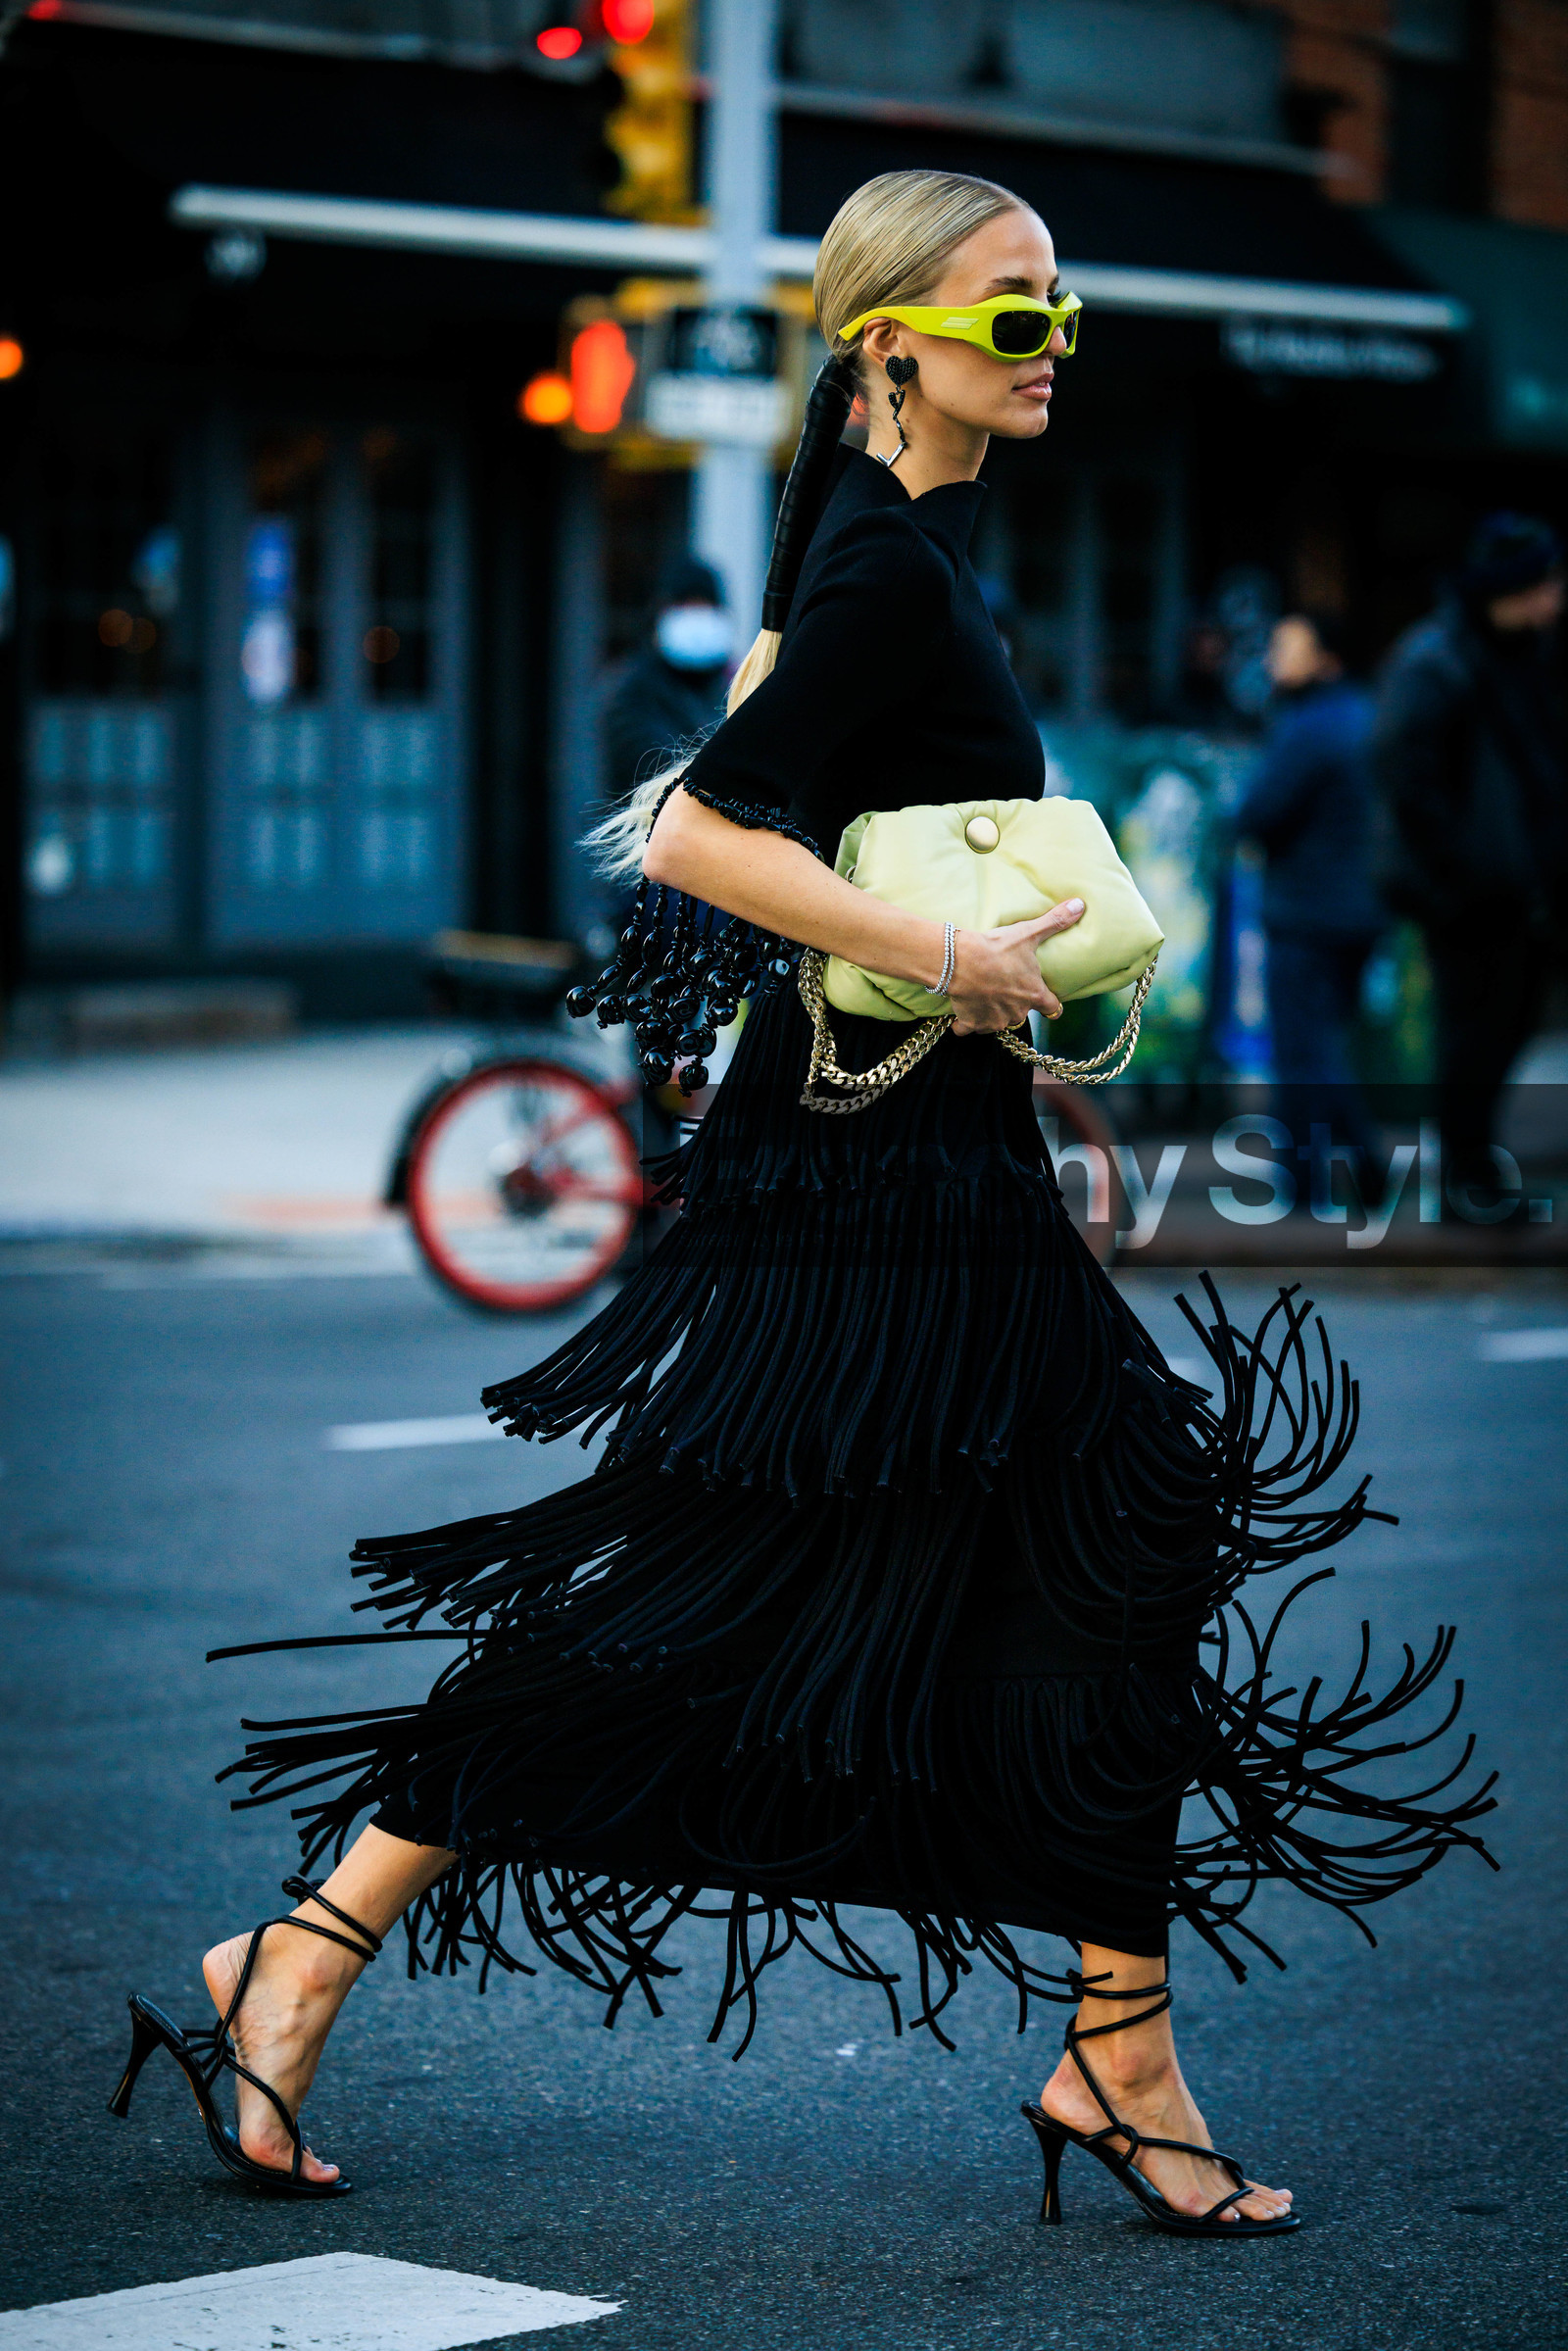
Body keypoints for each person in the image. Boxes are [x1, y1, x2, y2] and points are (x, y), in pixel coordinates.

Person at [112, 170, 1494, 2239]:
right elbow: (693, 834)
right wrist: (951, 962)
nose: (1051, 344)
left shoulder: (896, 543)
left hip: (902, 1143)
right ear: (889, 344)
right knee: (790, 1576)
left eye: (1061, 309)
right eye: (1012, 312)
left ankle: (1102, 2044)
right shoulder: (883, 568)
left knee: (1028, 1543)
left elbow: (834, 833)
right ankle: (315, 1948)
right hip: (868, 1169)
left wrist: (988, 1004)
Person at [1374, 513, 1567, 1210]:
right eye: (1546, 583)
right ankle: (1466, 1184)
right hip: (1469, 894)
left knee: (1504, 1031)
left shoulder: (1523, 655)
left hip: (1521, 888)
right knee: (1474, 1038)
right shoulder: (1439, 660)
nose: (1556, 597)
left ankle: (1475, 1176)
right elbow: (1407, 776)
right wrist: (1458, 873)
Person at [1234, 610, 1382, 1171]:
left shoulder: (1309, 726)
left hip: (1308, 912)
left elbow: (1257, 813)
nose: (1273, 660)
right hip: (1359, 909)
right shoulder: (1364, 713)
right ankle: (1358, 1162)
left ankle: (1314, 1171)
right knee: (1324, 1044)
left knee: (1304, 1050)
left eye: (1287, 648)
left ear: (1326, 658)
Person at [602, 559, 734, 827]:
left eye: (704, 606)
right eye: (685, 606)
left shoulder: (732, 684)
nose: (696, 618)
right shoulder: (632, 690)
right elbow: (651, 767)